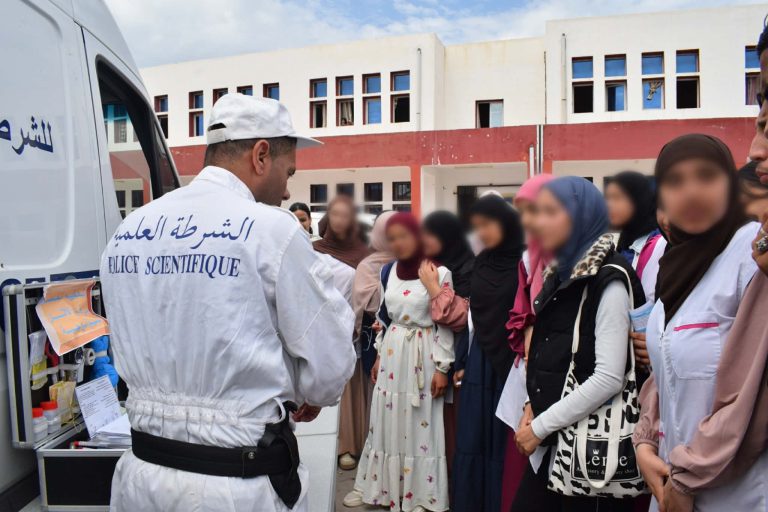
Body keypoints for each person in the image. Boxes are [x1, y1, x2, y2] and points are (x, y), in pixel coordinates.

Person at [100, 94, 356, 512]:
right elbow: (327, 367)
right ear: (261, 154)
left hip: (141, 477)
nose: (288, 188)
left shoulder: (129, 229)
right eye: (287, 171)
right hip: (235, 485)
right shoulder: (272, 230)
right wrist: (304, 388)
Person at [633, 134, 760, 512]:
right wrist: (644, 442)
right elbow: (665, 368)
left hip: (735, 490)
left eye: (706, 177)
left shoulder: (750, 255)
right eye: (674, 182)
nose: (690, 192)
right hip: (671, 480)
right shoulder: (676, 265)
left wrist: (688, 479)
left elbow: (750, 392)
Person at [512, 176, 644, 512]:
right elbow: (550, 350)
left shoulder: (608, 279)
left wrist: (539, 427)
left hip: (587, 452)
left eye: (551, 211)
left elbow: (609, 377)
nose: (538, 222)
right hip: (557, 436)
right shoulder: (564, 271)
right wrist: (531, 402)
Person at [344, 212, 455, 512]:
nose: (398, 243)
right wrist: (379, 355)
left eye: (404, 236)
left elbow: (443, 323)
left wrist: (443, 367)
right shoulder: (387, 272)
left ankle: (421, 494)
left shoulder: (437, 272)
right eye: (392, 238)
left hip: (423, 356)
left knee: (420, 423)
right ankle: (377, 487)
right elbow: (384, 316)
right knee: (384, 421)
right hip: (393, 355)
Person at [452, 195, 523, 512]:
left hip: (511, 361)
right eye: (477, 227)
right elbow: (474, 318)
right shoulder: (480, 261)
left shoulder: (525, 262)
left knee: (502, 443)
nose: (483, 232)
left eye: (488, 224)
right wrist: (465, 361)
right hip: (481, 363)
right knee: (474, 438)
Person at [496, 174, 553, 511]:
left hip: (556, 378)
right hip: (528, 372)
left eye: (534, 209)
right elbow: (524, 315)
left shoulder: (575, 260)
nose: (527, 219)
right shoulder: (530, 258)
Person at [313, 195, 372, 471]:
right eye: (334, 214)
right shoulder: (310, 250)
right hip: (312, 335)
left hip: (349, 334)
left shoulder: (366, 255)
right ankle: (329, 445)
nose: (339, 220)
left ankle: (351, 445)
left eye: (345, 215)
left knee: (349, 393)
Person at [417, 210, 475, 476]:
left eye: (433, 234)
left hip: (457, 358)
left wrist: (434, 290)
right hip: (420, 358)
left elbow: (461, 320)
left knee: (452, 427)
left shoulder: (467, 267)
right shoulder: (422, 266)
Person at [605, 171, 665, 302]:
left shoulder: (659, 245)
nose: (609, 205)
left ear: (638, 200)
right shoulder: (623, 244)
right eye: (608, 198)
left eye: (617, 198)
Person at [352, 211, 397, 379]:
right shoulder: (368, 265)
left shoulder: (415, 261)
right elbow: (368, 303)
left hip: (410, 339)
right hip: (374, 336)